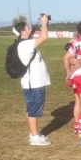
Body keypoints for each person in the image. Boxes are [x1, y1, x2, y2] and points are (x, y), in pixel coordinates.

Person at [15, 14, 51, 146]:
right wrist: (44, 23)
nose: (30, 29)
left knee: (31, 109)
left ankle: (33, 133)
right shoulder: (25, 44)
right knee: (34, 110)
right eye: (28, 27)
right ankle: (35, 137)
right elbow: (44, 37)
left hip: (32, 82)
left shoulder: (24, 44)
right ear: (22, 31)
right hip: (34, 83)